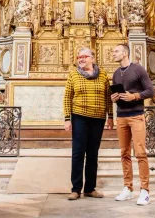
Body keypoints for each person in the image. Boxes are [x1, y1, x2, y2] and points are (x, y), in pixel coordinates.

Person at [63, 47, 113, 201]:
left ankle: (90, 188)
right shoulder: (73, 74)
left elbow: (108, 96)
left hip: (98, 118)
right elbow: (67, 97)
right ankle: (75, 189)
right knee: (78, 153)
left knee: (93, 153)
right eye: (79, 57)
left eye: (85, 56)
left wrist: (110, 116)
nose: (81, 59)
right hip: (79, 117)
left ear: (92, 58)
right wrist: (67, 118)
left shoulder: (103, 74)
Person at [110, 44, 154, 206]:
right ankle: (128, 188)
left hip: (136, 116)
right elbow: (116, 94)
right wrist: (114, 98)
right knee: (124, 153)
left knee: (141, 153)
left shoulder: (138, 70)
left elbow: (150, 91)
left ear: (125, 53)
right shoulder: (116, 73)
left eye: (116, 51)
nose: (113, 53)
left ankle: (145, 190)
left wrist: (134, 96)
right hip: (121, 117)